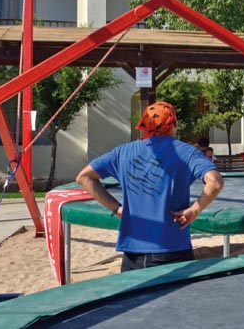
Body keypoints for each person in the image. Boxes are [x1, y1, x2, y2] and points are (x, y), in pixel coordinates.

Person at [76, 101, 224, 272]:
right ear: (173, 125)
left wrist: (116, 208)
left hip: (132, 251)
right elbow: (215, 182)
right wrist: (194, 210)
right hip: (172, 246)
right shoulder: (187, 152)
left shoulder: (122, 152)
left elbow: (84, 177)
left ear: (144, 125)